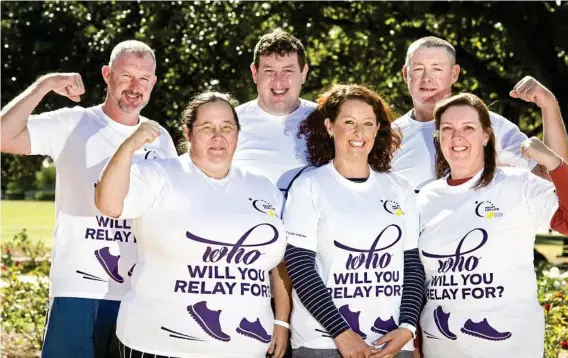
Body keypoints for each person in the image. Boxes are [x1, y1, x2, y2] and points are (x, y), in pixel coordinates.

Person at [0, 40, 177, 357]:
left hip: (137, 294)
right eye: (126, 76)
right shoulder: (73, 122)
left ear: (154, 82)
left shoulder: (160, 137)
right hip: (78, 290)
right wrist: (46, 84)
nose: (135, 87)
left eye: (144, 78)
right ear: (107, 75)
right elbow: (3, 136)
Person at [95, 92, 289, 358]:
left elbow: (279, 261)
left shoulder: (264, 187)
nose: (218, 137)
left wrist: (281, 320)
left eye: (226, 128)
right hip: (157, 347)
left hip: (245, 351)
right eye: (207, 128)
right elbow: (107, 203)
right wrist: (128, 147)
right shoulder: (160, 175)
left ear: (237, 134)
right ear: (188, 133)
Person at [416, 93, 568, 358]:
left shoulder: (518, 184)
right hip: (441, 346)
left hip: (511, 345)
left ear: (486, 135)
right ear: (438, 137)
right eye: (447, 129)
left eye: (468, 128)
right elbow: (416, 279)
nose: (456, 137)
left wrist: (553, 163)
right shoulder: (424, 198)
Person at [283, 84, 425, 358]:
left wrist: (407, 326)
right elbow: (300, 267)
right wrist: (341, 333)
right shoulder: (309, 185)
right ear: (329, 126)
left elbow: (412, 264)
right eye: (349, 122)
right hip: (324, 343)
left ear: (377, 129)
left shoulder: (399, 188)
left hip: (390, 343)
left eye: (367, 123)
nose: (358, 133)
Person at [232, 29, 317, 355]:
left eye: (288, 72)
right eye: (269, 71)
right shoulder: (232, 123)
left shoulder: (324, 122)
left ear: (304, 73)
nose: (279, 81)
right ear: (255, 74)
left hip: (311, 274)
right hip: (247, 274)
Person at [392, 36, 568, 191]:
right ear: (406, 73)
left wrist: (549, 105)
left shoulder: (488, 125)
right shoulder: (389, 136)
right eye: (418, 69)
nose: (426, 78)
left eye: (437, 69)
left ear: (454, 74)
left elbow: (551, 177)